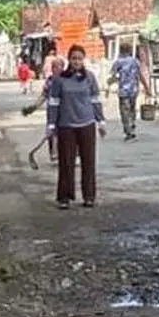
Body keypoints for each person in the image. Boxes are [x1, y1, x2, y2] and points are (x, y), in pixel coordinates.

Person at [46, 45, 106, 209]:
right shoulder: (59, 79)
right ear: (69, 60)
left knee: (88, 161)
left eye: (79, 58)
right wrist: (51, 124)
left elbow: (95, 100)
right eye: (74, 58)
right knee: (66, 163)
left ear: (83, 60)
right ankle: (64, 197)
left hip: (87, 124)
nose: (77, 61)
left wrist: (100, 121)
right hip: (66, 126)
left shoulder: (90, 78)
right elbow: (53, 103)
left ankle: (89, 196)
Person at [23, 57, 65, 162]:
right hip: (52, 111)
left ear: (63, 67)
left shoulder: (67, 79)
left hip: (65, 111)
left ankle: (67, 154)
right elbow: (44, 95)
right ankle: (54, 153)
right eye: (53, 67)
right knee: (52, 132)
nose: (55, 69)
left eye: (57, 66)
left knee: (66, 133)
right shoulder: (50, 80)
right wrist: (34, 107)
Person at [109, 43, 151, 141]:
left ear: (120, 50)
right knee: (132, 109)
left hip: (123, 90)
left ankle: (128, 131)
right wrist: (147, 88)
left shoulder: (118, 62)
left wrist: (109, 84)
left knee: (124, 111)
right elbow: (140, 75)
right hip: (133, 90)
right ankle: (132, 125)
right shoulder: (135, 61)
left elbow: (113, 76)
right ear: (129, 51)